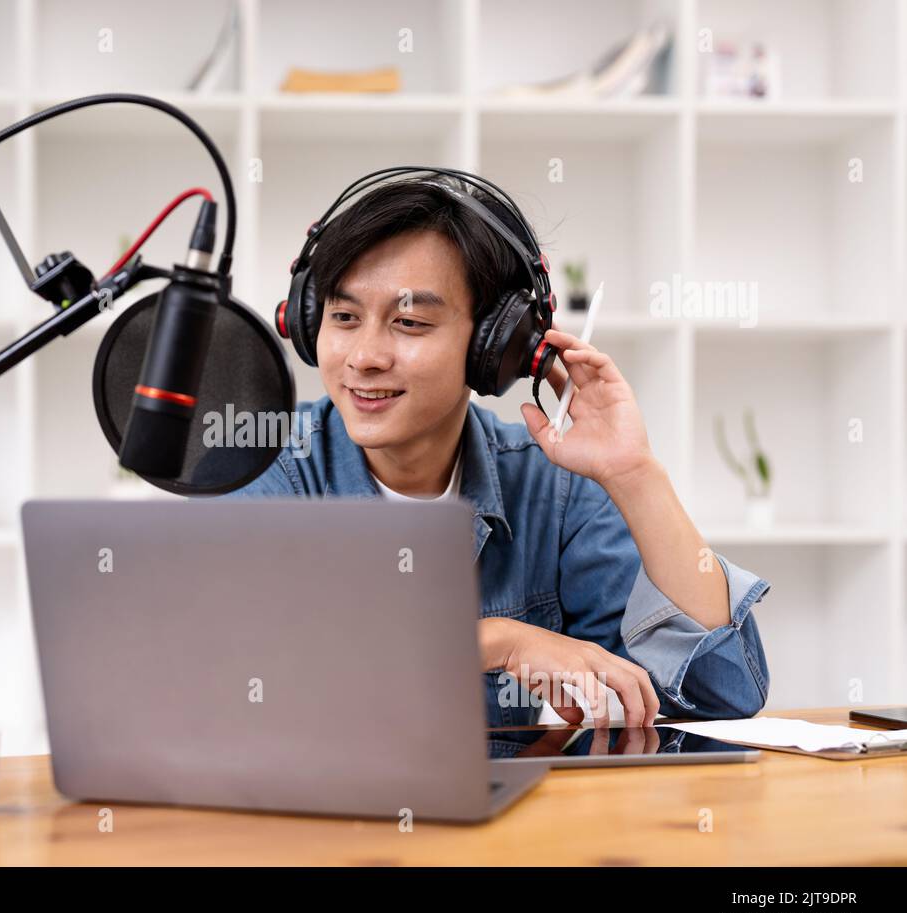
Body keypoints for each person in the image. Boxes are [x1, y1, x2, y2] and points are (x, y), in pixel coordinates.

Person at [224, 176, 770, 730]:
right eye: (344, 318)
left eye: (409, 323)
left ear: (497, 347)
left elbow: (720, 695)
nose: (363, 357)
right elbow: (238, 685)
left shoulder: (550, 491)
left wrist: (633, 474)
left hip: (493, 819)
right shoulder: (266, 463)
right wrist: (494, 641)